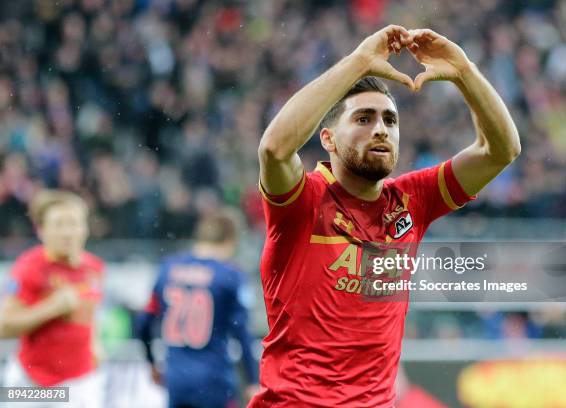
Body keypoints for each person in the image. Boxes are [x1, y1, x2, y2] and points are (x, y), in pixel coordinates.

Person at [252, 25, 520, 407]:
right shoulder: (302, 201)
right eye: (363, 119)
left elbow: (502, 150)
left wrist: (464, 71)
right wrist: (359, 63)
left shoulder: (413, 200)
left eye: (390, 121)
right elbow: (274, 149)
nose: (380, 130)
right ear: (327, 139)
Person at [137, 210, 259, 408]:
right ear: (231, 239)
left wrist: (151, 362)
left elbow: (143, 323)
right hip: (214, 380)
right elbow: (242, 332)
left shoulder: (168, 268)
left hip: (176, 380)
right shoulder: (230, 275)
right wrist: (253, 381)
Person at [0, 190, 105, 407]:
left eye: (73, 223)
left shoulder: (95, 268)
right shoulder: (28, 267)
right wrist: (51, 308)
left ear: (85, 228)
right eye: (58, 224)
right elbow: (4, 327)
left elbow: (89, 314)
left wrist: (95, 345)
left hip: (80, 381)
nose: (67, 232)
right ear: (41, 230)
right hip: (31, 381)